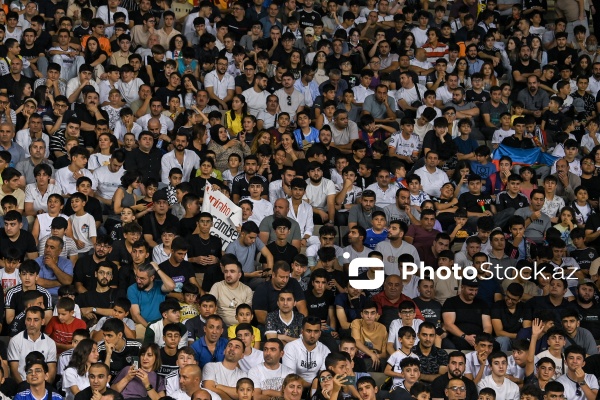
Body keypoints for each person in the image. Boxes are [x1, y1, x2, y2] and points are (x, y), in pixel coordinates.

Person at [8, 306, 57, 384]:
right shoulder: (15, 341)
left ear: (43, 321)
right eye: (28, 319)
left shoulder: (50, 342)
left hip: (43, 386)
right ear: (25, 321)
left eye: (36, 320)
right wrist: (24, 387)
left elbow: (52, 370)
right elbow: (14, 370)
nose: (31, 324)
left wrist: (43, 387)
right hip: (21, 384)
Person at [282, 316, 331, 385]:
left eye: (316, 331)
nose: (312, 335)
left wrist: (315, 387)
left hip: (317, 387)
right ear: (302, 331)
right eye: (309, 331)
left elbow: (324, 375)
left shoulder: (325, 350)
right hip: (295, 386)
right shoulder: (290, 347)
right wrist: (310, 386)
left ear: (320, 333)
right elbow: (290, 377)